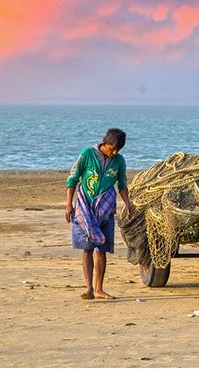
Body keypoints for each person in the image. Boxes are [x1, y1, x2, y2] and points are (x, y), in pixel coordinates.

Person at [65, 128, 133, 300]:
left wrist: (128, 203)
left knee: (101, 250)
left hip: (106, 209)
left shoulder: (119, 161)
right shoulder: (87, 154)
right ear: (105, 143)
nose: (115, 152)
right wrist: (68, 205)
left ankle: (99, 289)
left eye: (118, 150)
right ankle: (88, 288)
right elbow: (72, 179)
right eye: (113, 149)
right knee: (87, 249)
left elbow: (122, 184)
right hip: (85, 206)